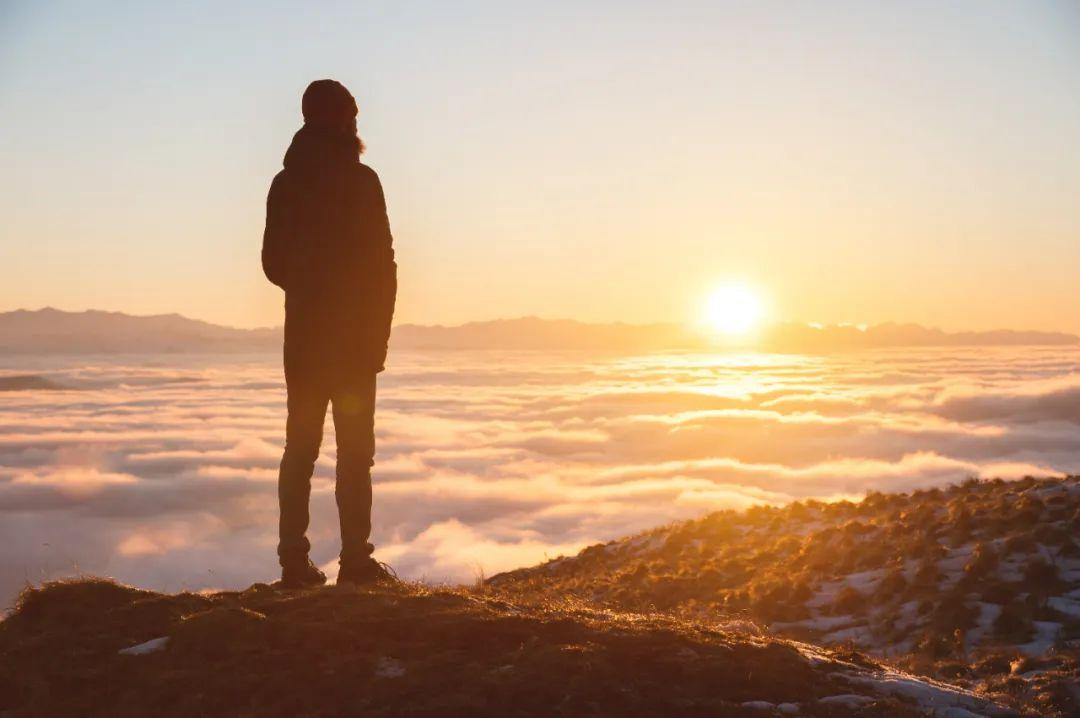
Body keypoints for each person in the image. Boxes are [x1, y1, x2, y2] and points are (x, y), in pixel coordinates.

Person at [262, 79, 397, 588]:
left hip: (305, 341)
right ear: (343, 120)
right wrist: (375, 333)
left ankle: (293, 564)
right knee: (355, 453)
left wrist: (309, 288)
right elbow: (384, 266)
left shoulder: (286, 182)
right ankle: (356, 563)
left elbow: (272, 263)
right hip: (356, 341)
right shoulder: (363, 182)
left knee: (301, 449)